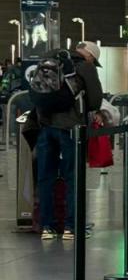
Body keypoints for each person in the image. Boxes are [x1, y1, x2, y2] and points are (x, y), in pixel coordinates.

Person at [35, 42, 104, 240]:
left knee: (45, 177)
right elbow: (95, 100)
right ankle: (71, 226)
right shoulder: (84, 66)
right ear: (89, 55)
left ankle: (46, 227)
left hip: (45, 125)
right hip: (70, 128)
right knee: (73, 177)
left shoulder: (49, 59)